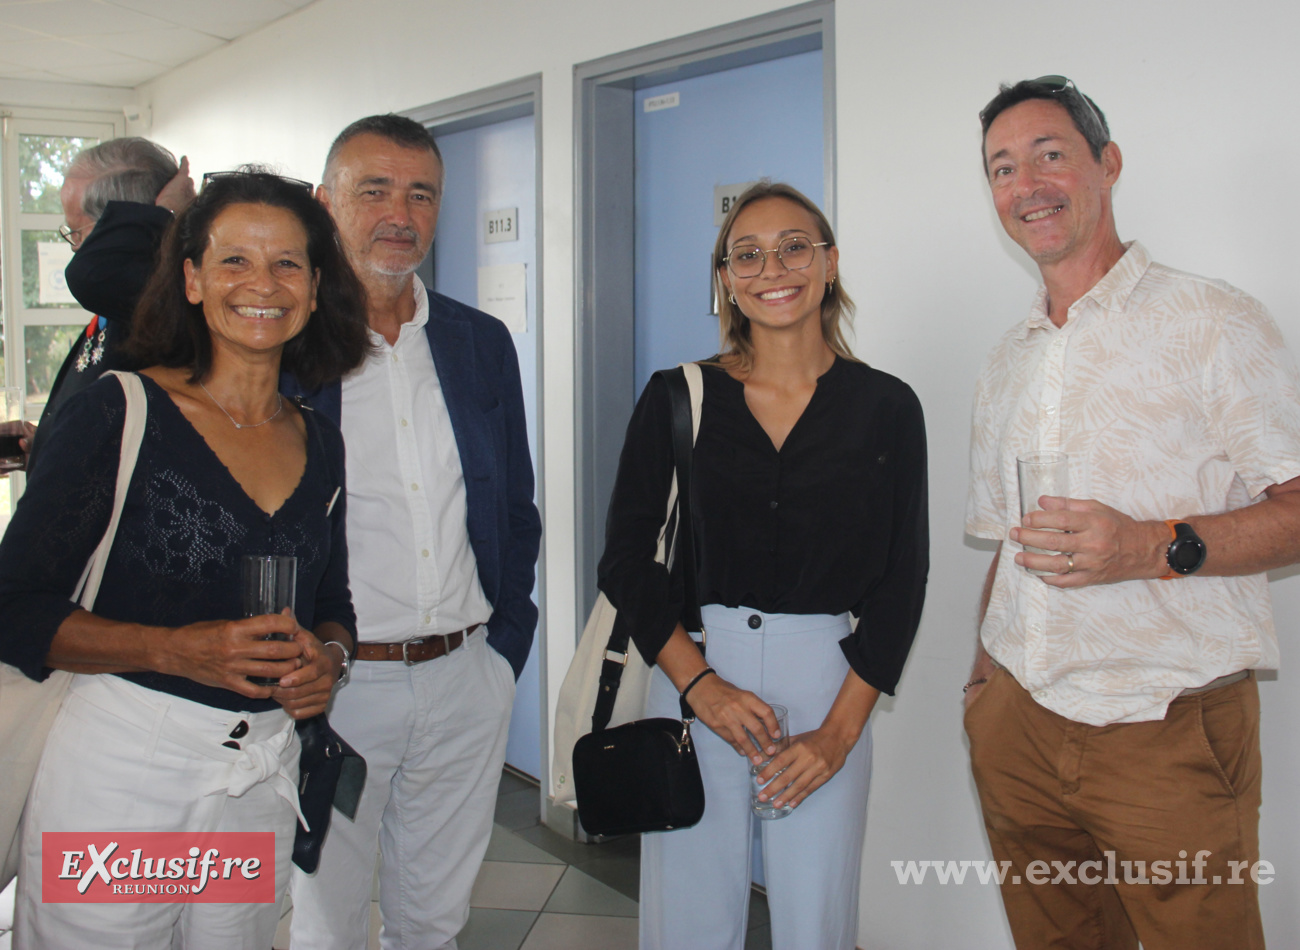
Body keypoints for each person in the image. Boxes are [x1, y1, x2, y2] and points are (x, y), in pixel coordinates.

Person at [963, 76, 1300, 949]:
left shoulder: (1213, 321)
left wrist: (1151, 545)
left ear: (1107, 165)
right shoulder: (1009, 356)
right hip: (1020, 723)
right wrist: (982, 682)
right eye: (1003, 167)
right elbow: (1008, 537)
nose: (1026, 184)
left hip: (1167, 727)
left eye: (1049, 155)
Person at [0, 169, 370, 949]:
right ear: (193, 278)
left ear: (314, 287)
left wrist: (329, 659)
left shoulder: (319, 438)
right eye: (234, 260)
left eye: (287, 264)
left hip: (256, 780)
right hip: (124, 776)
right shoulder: (118, 410)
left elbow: (332, 599)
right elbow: (15, 607)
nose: (261, 285)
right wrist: (175, 650)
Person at [598, 181, 928, 950]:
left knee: (816, 923)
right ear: (726, 279)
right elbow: (625, 558)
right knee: (688, 922)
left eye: (793, 247)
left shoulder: (886, 407)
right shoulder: (677, 397)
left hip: (829, 679)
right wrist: (701, 686)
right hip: (695, 669)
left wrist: (838, 738)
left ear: (829, 263)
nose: (771, 267)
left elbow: (900, 581)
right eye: (746, 253)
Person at [286, 115, 541, 950]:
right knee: (326, 919)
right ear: (326, 205)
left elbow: (512, 509)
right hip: (340, 687)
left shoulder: (478, 342)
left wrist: (504, 648)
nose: (400, 213)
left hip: (465, 678)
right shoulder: (286, 347)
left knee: (434, 920)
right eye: (374, 191)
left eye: (420, 193)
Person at [28, 138, 195, 471]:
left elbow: (88, 273)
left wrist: (165, 215)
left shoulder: (163, 296)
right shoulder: (122, 295)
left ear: (118, 227)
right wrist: (45, 440)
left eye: (77, 231)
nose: (75, 247)